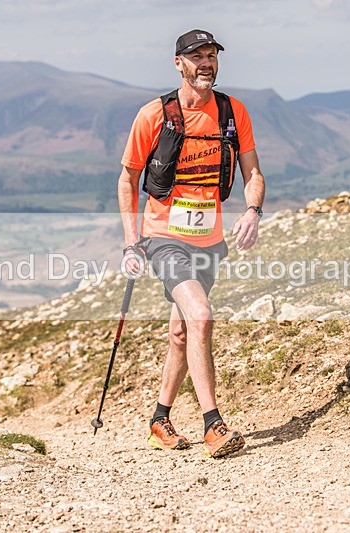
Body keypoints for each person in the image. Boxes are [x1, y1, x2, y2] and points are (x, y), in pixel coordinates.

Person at [118, 29, 266, 458]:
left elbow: (253, 172)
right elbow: (128, 179)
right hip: (163, 237)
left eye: (211, 56)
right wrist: (132, 242)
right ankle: (213, 425)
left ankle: (159, 420)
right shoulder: (154, 115)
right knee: (201, 316)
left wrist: (253, 211)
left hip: (209, 241)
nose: (206, 63)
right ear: (178, 63)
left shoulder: (232, 112)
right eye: (197, 56)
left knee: (182, 331)